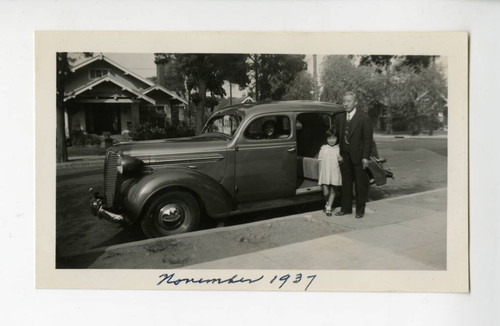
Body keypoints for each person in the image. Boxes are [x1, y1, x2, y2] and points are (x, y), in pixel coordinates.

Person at [334, 91, 373, 218]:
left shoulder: (363, 118)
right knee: (346, 183)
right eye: (344, 101)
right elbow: (336, 137)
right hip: (344, 156)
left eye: (349, 101)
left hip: (359, 156)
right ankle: (346, 208)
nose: (346, 104)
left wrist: (365, 157)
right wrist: (337, 152)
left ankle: (360, 210)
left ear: (355, 102)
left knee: (360, 184)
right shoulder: (340, 118)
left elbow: (368, 140)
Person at [318, 128, 343, 216]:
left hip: (334, 173)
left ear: (337, 138)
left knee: (333, 190)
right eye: (329, 138)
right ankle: (327, 202)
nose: (331, 140)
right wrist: (320, 174)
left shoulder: (339, 149)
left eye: (333, 138)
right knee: (326, 192)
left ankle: (329, 208)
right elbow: (320, 160)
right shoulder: (323, 148)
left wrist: (341, 159)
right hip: (325, 173)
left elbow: (341, 161)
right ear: (326, 139)